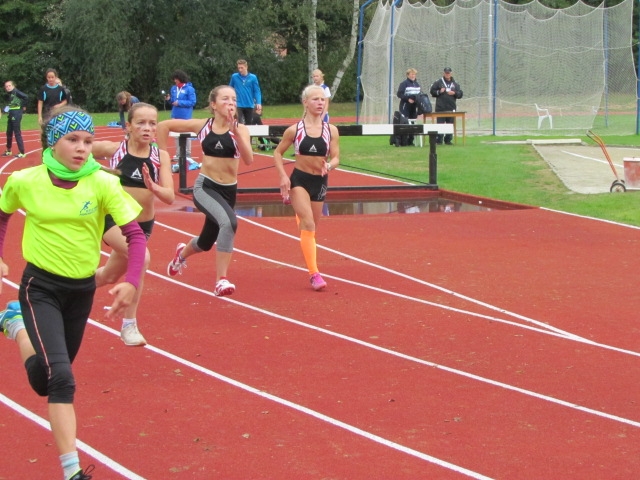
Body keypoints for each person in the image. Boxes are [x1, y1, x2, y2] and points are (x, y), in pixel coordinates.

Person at [0, 105, 146, 480]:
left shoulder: (102, 183)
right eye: (73, 140)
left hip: (80, 291)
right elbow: (2, 214)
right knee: (62, 380)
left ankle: (15, 325)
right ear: (53, 141)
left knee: (44, 381)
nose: (82, 148)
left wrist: (130, 280)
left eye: (88, 141)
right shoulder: (25, 180)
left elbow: (135, 237)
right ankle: (73, 472)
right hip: (40, 287)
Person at [91, 102, 175, 346]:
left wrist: (153, 186)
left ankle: (65, 287)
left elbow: (169, 196)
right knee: (143, 258)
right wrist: (93, 171)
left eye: (152, 123)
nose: (147, 128)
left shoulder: (160, 157)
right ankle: (129, 325)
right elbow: (77, 149)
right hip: (114, 221)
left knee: (108, 276)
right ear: (128, 126)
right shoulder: (114, 150)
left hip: (143, 225)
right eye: (141, 123)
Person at [158, 85, 253, 296]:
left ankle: (181, 254)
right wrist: (162, 159)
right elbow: (163, 126)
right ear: (213, 105)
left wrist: (236, 133)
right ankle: (221, 280)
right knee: (229, 223)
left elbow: (248, 159)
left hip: (228, 190)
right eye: (225, 99)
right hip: (205, 187)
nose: (230, 103)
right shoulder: (203, 126)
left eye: (233, 99)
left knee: (205, 242)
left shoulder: (241, 129)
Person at [272, 85, 340, 291]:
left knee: (311, 228)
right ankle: (314, 274)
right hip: (299, 180)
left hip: (320, 182)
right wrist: (283, 177)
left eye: (322, 99)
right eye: (315, 99)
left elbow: (336, 157)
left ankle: (299, 213)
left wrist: (329, 165)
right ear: (305, 103)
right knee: (308, 224)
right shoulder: (295, 130)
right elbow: (277, 153)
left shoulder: (331, 130)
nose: (320, 103)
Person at [165, 70, 197, 161]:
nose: (175, 81)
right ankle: (178, 154)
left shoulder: (189, 89)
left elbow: (192, 102)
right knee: (176, 135)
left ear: (180, 78)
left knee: (186, 135)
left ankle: (187, 154)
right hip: (175, 114)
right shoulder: (173, 88)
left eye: (176, 79)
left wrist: (179, 102)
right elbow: (173, 101)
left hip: (185, 115)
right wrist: (169, 99)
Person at [429, 66, 463, 145]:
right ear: (443, 73)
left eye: (449, 73)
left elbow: (460, 94)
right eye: (446, 73)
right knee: (440, 125)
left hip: (451, 107)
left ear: (451, 73)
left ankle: (448, 140)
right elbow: (432, 91)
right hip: (441, 108)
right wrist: (439, 91)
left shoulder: (455, 83)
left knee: (450, 125)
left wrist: (454, 93)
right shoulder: (438, 82)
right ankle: (439, 140)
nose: (447, 74)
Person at [229, 59, 262, 125]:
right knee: (240, 123)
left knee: (249, 124)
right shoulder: (234, 77)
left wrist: (258, 102)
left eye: (242, 68)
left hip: (249, 104)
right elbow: (230, 89)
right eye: (239, 68)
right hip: (238, 104)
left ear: (246, 67)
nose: (240, 70)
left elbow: (257, 91)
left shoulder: (253, 77)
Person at [2, 80, 28, 158]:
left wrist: (23, 106)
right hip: (11, 114)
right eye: (6, 86)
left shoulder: (16, 92)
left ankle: (22, 152)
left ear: (13, 86)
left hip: (16, 114)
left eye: (9, 85)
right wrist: (5, 110)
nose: (8, 87)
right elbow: (11, 104)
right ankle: (9, 150)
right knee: (9, 132)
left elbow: (26, 97)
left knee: (17, 133)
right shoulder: (10, 94)